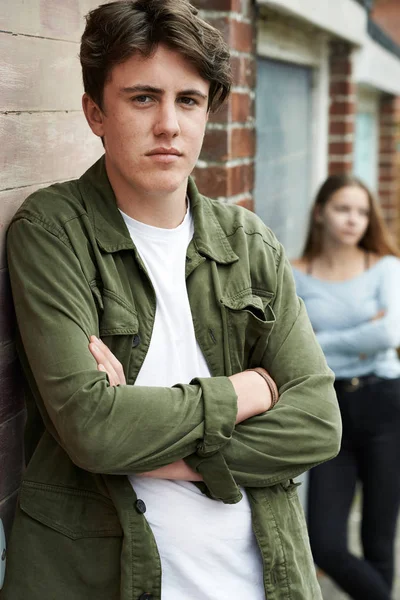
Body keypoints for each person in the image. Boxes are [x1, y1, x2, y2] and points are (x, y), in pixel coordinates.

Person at [2, 1, 341, 598]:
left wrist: (162, 451)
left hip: (262, 580)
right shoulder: (54, 231)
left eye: (188, 101)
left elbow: (317, 424)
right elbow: (93, 430)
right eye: (142, 98)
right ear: (94, 111)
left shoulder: (249, 243)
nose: (169, 125)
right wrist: (245, 392)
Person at [292, 174, 400, 600]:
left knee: (378, 542)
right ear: (320, 212)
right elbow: (291, 348)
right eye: (342, 208)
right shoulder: (296, 275)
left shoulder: (386, 268)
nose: (353, 219)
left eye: (361, 211)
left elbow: (389, 332)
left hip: (385, 405)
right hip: (327, 409)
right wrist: (358, 337)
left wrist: (320, 345)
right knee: (326, 543)